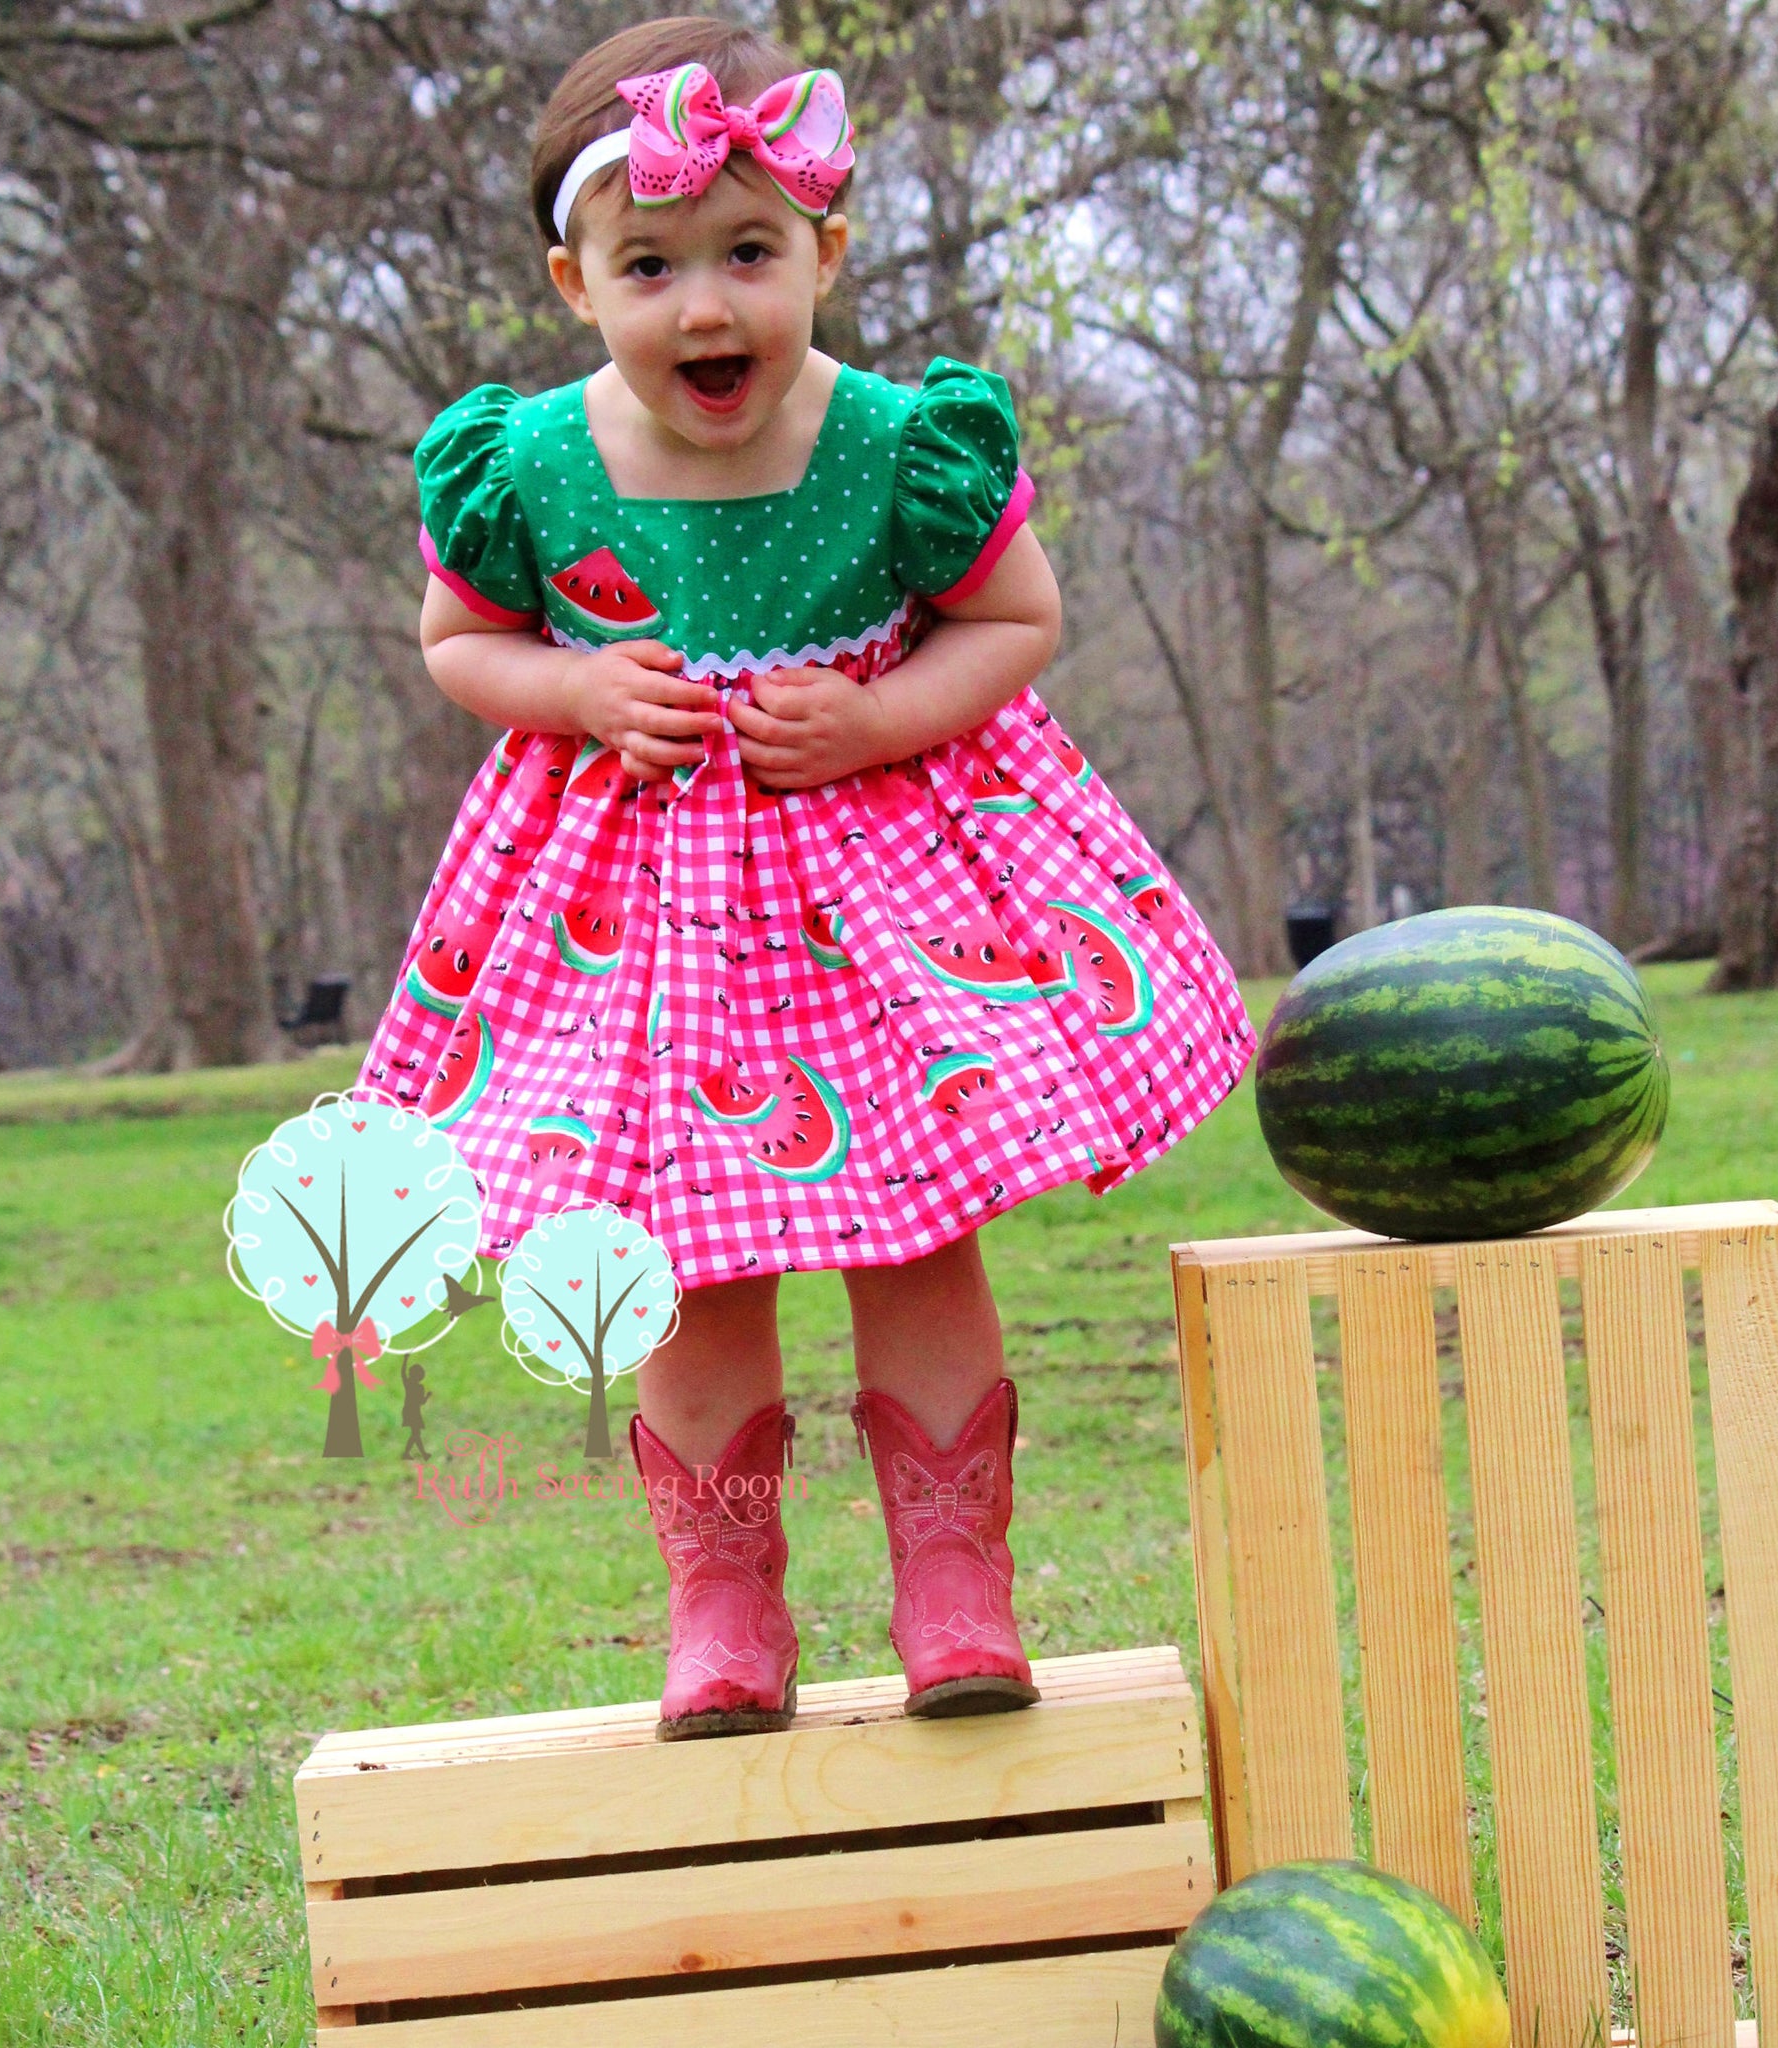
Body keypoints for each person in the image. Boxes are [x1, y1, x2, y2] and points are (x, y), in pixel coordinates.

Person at [361, 16, 1253, 1741]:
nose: (710, 306)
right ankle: (724, 1601)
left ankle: (953, 1581)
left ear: (824, 253)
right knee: (688, 1260)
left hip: (882, 912)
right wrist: (572, 686)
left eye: (751, 254)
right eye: (654, 265)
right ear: (576, 284)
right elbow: (457, 642)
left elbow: (1019, 617)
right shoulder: (531, 467)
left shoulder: (896, 443)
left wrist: (877, 717)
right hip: (639, 924)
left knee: (919, 1237)